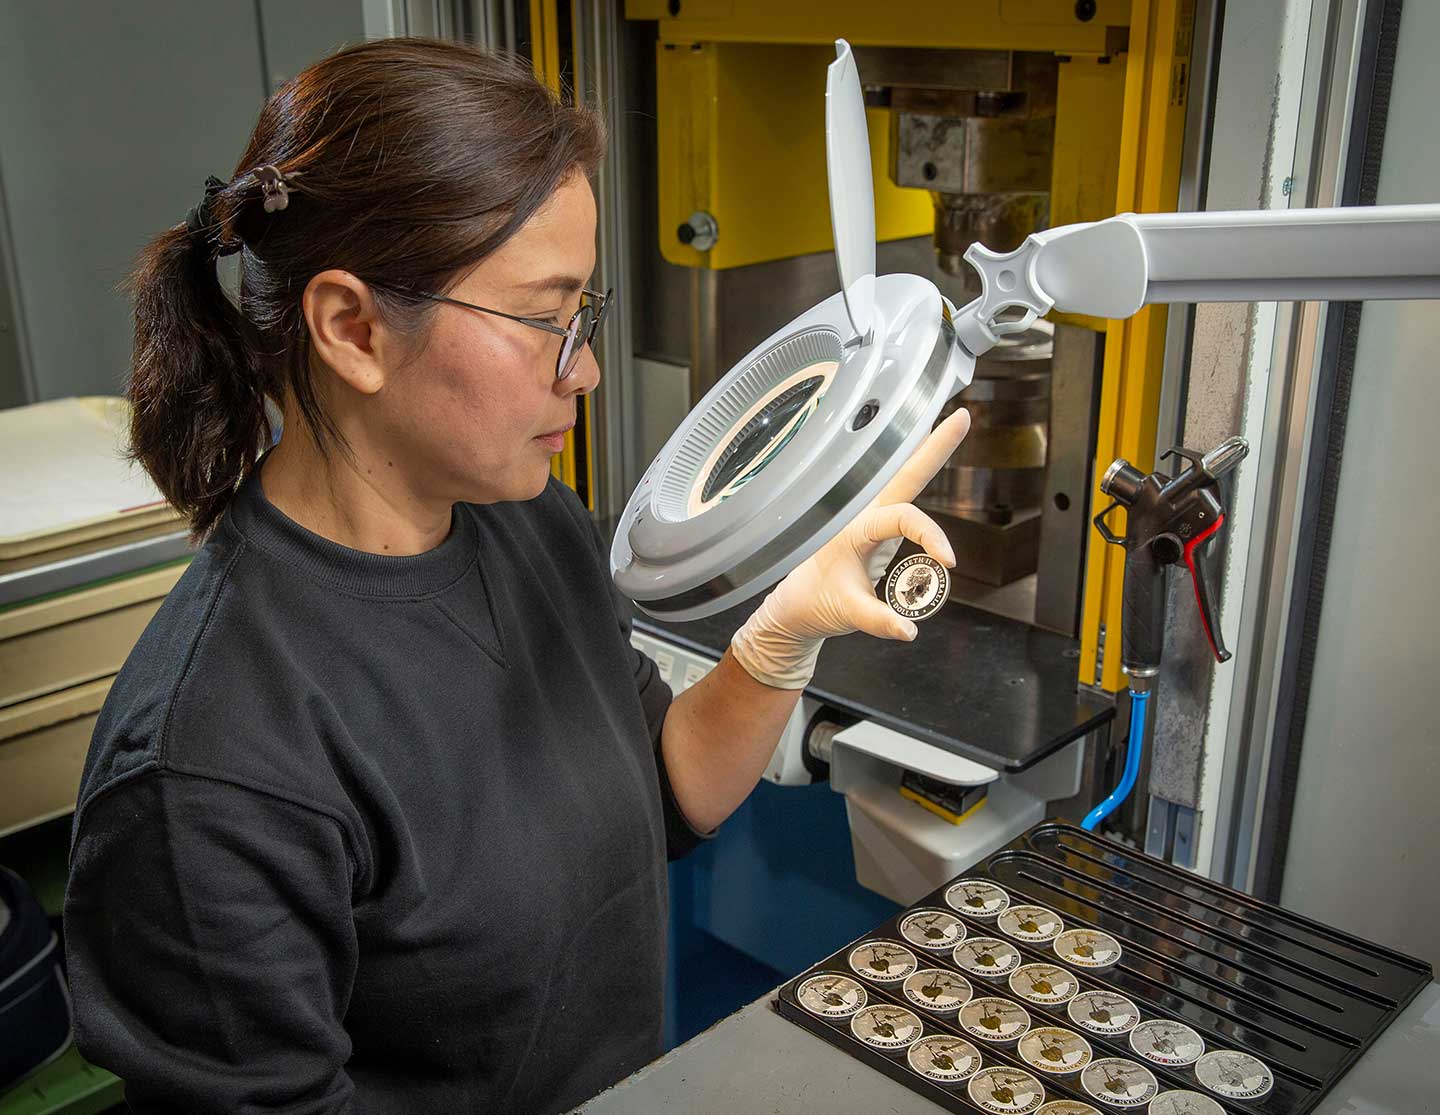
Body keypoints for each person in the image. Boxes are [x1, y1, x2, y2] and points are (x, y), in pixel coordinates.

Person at [62, 37, 969, 1114]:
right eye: (545, 318)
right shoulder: (212, 767)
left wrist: (780, 638)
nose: (581, 366)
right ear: (353, 328)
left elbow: (662, 789)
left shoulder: (528, 523)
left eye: (585, 312)